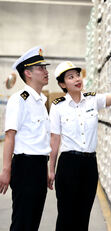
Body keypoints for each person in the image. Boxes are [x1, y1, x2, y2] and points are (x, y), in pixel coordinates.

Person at [48, 57, 111, 231]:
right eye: (70, 77)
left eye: (78, 75)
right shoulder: (58, 106)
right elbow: (55, 139)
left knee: (83, 217)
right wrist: (51, 169)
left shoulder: (92, 99)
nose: (77, 79)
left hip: (90, 165)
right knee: (66, 217)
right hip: (68, 164)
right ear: (62, 84)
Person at [0, 46, 51, 231]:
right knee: (23, 223)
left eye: (46, 67)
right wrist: (6, 170)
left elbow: (40, 141)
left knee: (33, 222)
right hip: (24, 168)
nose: (46, 72)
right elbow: (10, 135)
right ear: (28, 73)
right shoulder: (18, 99)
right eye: (41, 68)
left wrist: (44, 168)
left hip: (37, 167)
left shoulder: (40, 101)